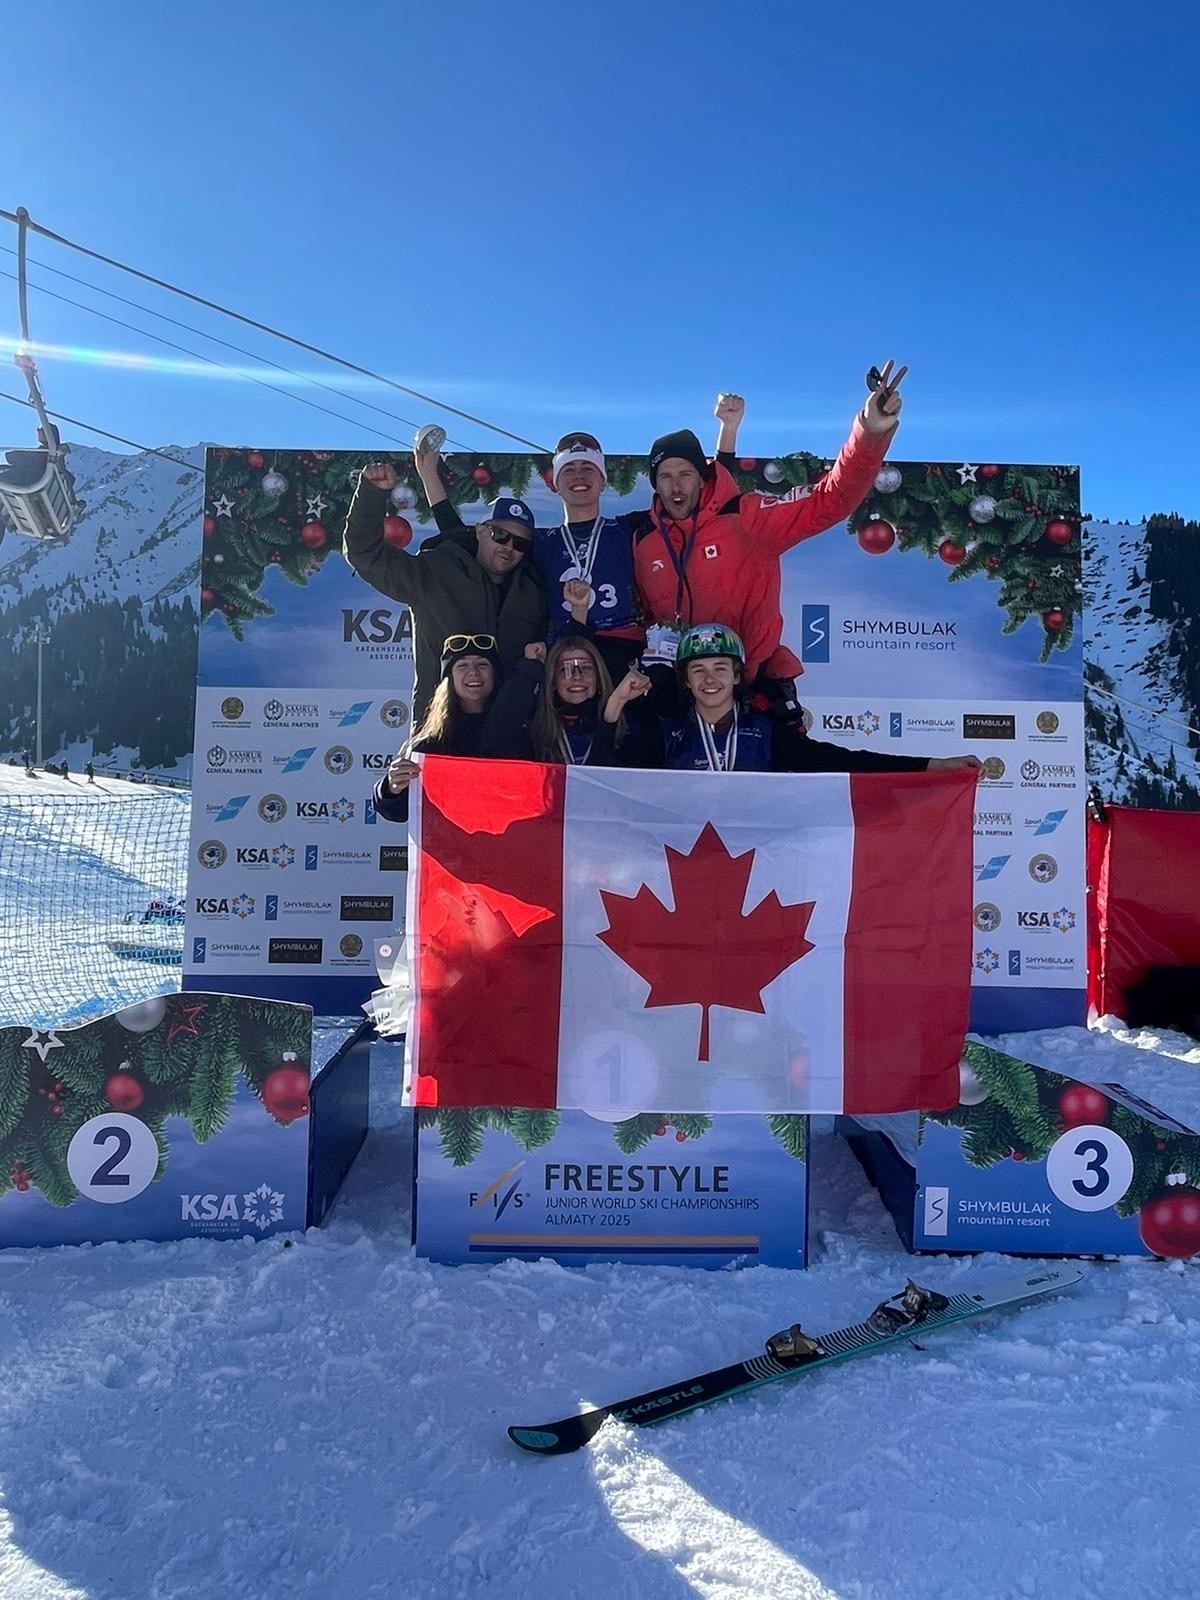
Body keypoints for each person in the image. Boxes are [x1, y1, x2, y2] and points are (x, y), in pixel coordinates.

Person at [633, 366, 907, 717]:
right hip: (676, 697)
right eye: (665, 476)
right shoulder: (643, 540)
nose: (675, 486)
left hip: (753, 692)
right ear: (655, 485)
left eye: (685, 474)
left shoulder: (747, 518)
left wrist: (869, 432)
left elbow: (830, 500)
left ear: (702, 479)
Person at [417, 404, 746, 684]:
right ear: (555, 484)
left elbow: (709, 503)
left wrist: (727, 430)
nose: (579, 476)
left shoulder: (631, 527)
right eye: (569, 469)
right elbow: (467, 540)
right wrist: (428, 474)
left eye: (588, 468)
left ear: (603, 481)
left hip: (625, 651)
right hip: (567, 655)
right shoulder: (541, 542)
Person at [604, 622, 982, 776]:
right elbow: (604, 776)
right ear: (684, 681)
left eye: (720, 668)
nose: (709, 679)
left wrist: (932, 766)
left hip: (752, 866)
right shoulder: (668, 733)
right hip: (681, 865)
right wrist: (617, 704)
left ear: (737, 676)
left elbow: (841, 762)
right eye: (698, 670)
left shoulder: (764, 733)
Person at [343, 463, 547, 724]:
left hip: (512, 733)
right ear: (480, 531)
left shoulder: (532, 591)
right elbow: (365, 554)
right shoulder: (435, 571)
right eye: (500, 535)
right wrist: (372, 495)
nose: (509, 547)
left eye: (520, 543)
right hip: (441, 728)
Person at [373, 632, 505, 824]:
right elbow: (398, 812)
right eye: (462, 665)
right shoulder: (428, 744)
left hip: (507, 848)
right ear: (449, 678)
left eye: (482, 664)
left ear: (495, 674)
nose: (474, 672)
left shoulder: (519, 734)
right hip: (451, 851)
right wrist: (391, 788)